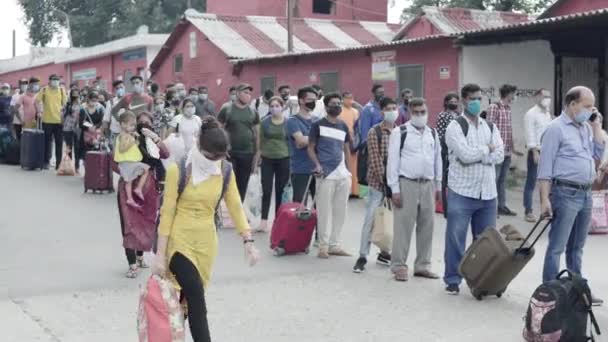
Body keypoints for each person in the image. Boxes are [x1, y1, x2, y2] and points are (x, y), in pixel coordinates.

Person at [153, 116, 259, 341]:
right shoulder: (178, 171)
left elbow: (235, 205)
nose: (215, 162)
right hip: (178, 241)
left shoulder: (225, 170)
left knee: (185, 301)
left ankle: (172, 334)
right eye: (212, 157)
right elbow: (167, 213)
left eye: (220, 158)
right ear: (199, 145)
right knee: (195, 295)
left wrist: (248, 241)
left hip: (206, 243)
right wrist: (160, 256)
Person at [538, 86, 605, 305]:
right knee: (557, 246)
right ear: (572, 104)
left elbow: (595, 154)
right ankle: (550, 293)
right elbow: (545, 168)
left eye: (592, 107)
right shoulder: (555, 129)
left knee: (577, 247)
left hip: (585, 193)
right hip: (565, 193)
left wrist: (596, 127)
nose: (590, 110)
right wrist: (544, 199)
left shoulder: (585, 127)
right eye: (586, 106)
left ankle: (578, 291)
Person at [443, 83, 504, 295]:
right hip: (462, 191)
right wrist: (487, 149)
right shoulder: (455, 127)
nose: (477, 102)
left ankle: (482, 281)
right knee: (456, 238)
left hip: (488, 193)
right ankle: (453, 279)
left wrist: (481, 154)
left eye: (479, 98)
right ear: (463, 101)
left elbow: (500, 155)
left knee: (486, 243)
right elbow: (464, 156)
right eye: (472, 99)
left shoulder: (490, 126)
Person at [387, 97, 442, 282]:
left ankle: (423, 265)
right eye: (416, 112)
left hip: (428, 184)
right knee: (403, 226)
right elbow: (392, 162)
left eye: (423, 112)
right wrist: (394, 189)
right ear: (410, 113)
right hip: (406, 184)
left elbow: (438, 160)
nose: (420, 115)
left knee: (427, 226)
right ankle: (399, 266)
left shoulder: (432, 133)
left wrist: (439, 185)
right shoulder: (399, 132)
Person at [114, 111, 169, 278]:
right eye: (140, 122)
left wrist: (154, 137)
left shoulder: (152, 139)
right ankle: (132, 264)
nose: (144, 125)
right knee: (129, 225)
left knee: (146, 222)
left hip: (149, 187)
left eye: (148, 123)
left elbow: (166, 154)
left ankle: (139, 257)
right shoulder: (127, 138)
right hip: (128, 185)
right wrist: (132, 171)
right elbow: (116, 163)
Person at [353, 97, 397, 273]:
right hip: (378, 184)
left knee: (388, 220)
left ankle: (385, 252)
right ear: (382, 112)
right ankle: (363, 255)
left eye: (395, 107)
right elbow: (376, 160)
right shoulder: (375, 132)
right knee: (371, 219)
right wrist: (385, 182)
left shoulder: (400, 131)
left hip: (395, 184)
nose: (393, 111)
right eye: (389, 108)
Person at [308, 92, 352, 258]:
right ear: (326, 107)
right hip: (325, 174)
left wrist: (349, 171)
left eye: (339, 103)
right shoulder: (317, 125)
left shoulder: (343, 125)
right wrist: (317, 165)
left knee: (341, 211)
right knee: (324, 211)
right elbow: (310, 147)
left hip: (342, 174)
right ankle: (323, 246)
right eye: (334, 103)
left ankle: (335, 244)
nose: (337, 106)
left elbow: (346, 148)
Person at [217, 83, 260, 201]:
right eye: (245, 93)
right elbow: (218, 130)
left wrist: (256, 158)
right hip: (230, 153)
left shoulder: (253, 112)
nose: (248, 95)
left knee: (243, 185)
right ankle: (225, 211)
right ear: (237, 93)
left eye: (250, 93)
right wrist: (222, 150)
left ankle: (238, 211)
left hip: (247, 153)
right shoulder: (227, 110)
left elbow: (257, 135)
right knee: (229, 183)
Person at [257, 96, 290, 233]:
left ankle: (278, 220)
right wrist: (256, 161)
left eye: (277, 105)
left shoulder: (288, 123)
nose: (274, 108)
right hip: (267, 159)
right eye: (272, 106)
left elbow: (291, 142)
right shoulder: (264, 123)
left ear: (282, 107)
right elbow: (260, 143)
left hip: (284, 158)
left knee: (280, 191)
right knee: (267, 190)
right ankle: (263, 221)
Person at [488, 84, 520, 217]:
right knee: (493, 179)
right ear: (508, 94)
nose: (515, 96)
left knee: (502, 180)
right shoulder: (494, 107)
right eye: (514, 93)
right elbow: (488, 128)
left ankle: (501, 206)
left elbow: (509, 129)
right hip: (497, 151)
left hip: (507, 151)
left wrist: (512, 148)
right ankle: (491, 208)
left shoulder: (508, 109)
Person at [523, 89, 553, 222]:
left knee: (546, 182)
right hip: (536, 151)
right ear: (537, 97)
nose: (547, 98)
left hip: (548, 151)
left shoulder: (547, 114)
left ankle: (545, 210)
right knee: (532, 181)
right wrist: (534, 151)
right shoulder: (531, 114)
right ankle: (528, 211)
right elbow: (530, 134)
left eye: (548, 96)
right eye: (544, 96)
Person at [287, 86, 318, 203]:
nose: (313, 102)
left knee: (319, 207)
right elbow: (300, 142)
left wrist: (308, 139)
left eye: (315, 99)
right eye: (310, 99)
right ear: (301, 100)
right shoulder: (293, 121)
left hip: (318, 169)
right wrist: (318, 138)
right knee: (300, 206)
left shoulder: (317, 120)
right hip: (300, 170)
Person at [114, 111, 150, 209]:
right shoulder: (123, 136)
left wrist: (134, 141)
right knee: (146, 170)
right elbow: (122, 149)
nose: (133, 128)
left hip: (129, 162)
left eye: (133, 125)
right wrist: (133, 141)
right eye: (131, 125)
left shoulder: (127, 135)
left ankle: (130, 198)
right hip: (127, 162)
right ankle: (138, 189)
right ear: (123, 125)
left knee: (129, 181)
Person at [435, 92, 460, 218]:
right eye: (452, 101)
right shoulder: (443, 115)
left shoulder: (459, 115)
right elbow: (440, 134)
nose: (454, 103)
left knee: (455, 180)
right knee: (445, 180)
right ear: (446, 103)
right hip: (446, 151)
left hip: (458, 152)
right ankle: (445, 208)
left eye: (456, 101)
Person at [37, 74, 67, 170]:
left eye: (57, 80)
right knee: (47, 143)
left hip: (59, 121)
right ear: (49, 81)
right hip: (47, 121)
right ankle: (46, 162)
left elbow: (65, 104)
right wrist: (39, 111)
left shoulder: (62, 90)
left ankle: (58, 164)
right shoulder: (44, 90)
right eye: (53, 80)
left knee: (59, 143)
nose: (55, 82)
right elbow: (37, 101)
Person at [338, 91, 360, 197]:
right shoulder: (339, 111)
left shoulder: (355, 111)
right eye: (347, 98)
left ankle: (355, 191)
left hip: (353, 142)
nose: (349, 100)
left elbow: (357, 127)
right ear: (342, 99)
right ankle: (346, 191)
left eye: (351, 98)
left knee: (354, 167)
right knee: (344, 165)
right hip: (341, 141)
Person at [78, 92, 105, 172]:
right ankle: (87, 171)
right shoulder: (83, 108)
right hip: (86, 135)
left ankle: (94, 172)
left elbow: (102, 121)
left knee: (96, 152)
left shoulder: (100, 108)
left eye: (96, 100)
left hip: (96, 135)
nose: (94, 102)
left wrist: (95, 127)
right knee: (85, 154)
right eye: (92, 100)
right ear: (88, 99)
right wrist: (89, 127)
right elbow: (80, 122)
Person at [359, 84, 385, 150]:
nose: (382, 94)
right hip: (373, 145)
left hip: (384, 144)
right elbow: (364, 131)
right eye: (379, 93)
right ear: (374, 94)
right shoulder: (368, 109)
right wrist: (366, 147)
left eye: (383, 92)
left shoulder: (384, 107)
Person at [103, 80, 127, 146]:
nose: (120, 89)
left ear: (124, 88)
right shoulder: (110, 102)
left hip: (128, 133)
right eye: (117, 88)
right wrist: (106, 136)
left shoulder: (129, 100)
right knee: (116, 154)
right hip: (115, 133)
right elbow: (106, 120)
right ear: (114, 90)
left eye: (121, 87)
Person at [62, 89, 81, 167]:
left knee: (77, 147)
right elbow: (63, 115)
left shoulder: (82, 104)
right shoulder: (67, 104)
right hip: (67, 127)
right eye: (73, 94)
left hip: (77, 128)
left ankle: (77, 166)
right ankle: (69, 165)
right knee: (69, 147)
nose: (75, 96)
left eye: (77, 94)